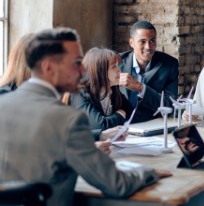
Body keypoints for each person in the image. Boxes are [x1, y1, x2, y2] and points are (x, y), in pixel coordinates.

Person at [0, 28, 170, 206]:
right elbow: (117, 185)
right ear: (48, 67)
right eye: (76, 63)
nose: (83, 70)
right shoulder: (69, 120)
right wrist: (148, 172)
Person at [119, 20, 179, 123]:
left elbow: (170, 105)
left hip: (152, 126)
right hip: (120, 126)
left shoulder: (170, 64)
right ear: (131, 42)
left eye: (152, 41)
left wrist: (141, 88)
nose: (148, 47)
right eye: (142, 41)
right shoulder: (117, 62)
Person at [70, 47, 133, 130]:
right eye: (114, 67)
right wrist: (120, 114)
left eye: (118, 66)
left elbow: (130, 111)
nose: (119, 70)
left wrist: (117, 116)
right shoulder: (79, 93)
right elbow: (100, 125)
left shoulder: (112, 89)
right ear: (100, 70)